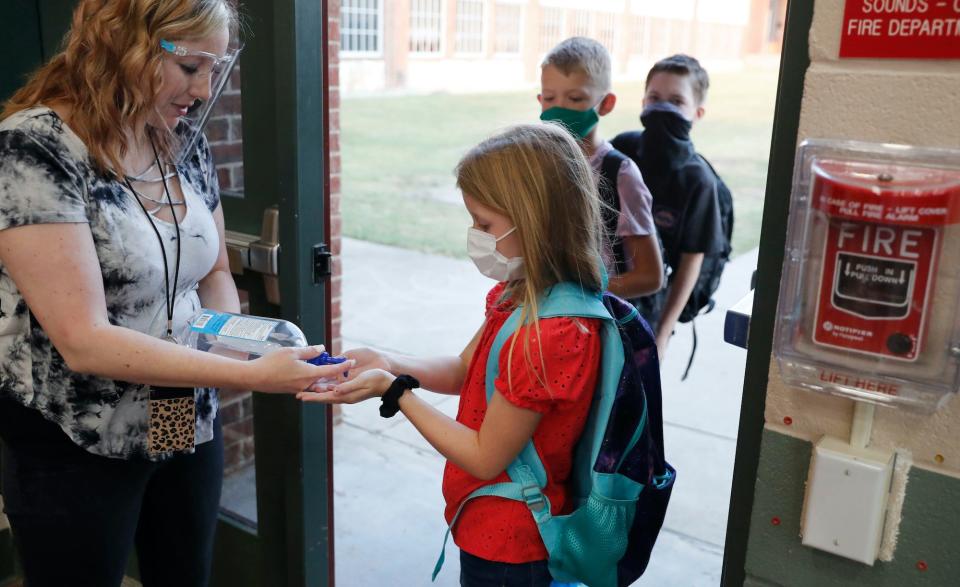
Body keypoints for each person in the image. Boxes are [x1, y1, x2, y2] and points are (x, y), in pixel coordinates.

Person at [0, 1, 347, 585]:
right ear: (123, 45)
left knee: (181, 567)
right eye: (191, 66)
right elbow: (83, 341)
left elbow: (213, 274)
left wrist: (235, 340)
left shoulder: (178, 140)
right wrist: (252, 376)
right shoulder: (32, 151)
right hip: (73, 435)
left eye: (216, 66)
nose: (204, 87)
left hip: (176, 408)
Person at [300, 123, 606, 587]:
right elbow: (465, 371)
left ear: (536, 218)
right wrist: (389, 363)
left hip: (512, 546)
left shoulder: (550, 335)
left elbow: (485, 457)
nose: (475, 235)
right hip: (485, 522)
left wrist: (395, 392)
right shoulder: (520, 295)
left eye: (485, 224)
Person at [611, 54, 727, 359]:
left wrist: (661, 335)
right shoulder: (622, 149)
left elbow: (691, 263)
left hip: (649, 307)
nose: (662, 108)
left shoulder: (698, 181)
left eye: (676, 101)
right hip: (605, 289)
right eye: (655, 98)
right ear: (643, 102)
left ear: (697, 113)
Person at [538, 37, 663, 301]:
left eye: (574, 98)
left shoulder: (620, 174)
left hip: (600, 319)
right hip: (549, 315)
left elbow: (650, 276)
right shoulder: (538, 164)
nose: (559, 108)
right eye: (550, 98)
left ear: (605, 104)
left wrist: (580, 295)